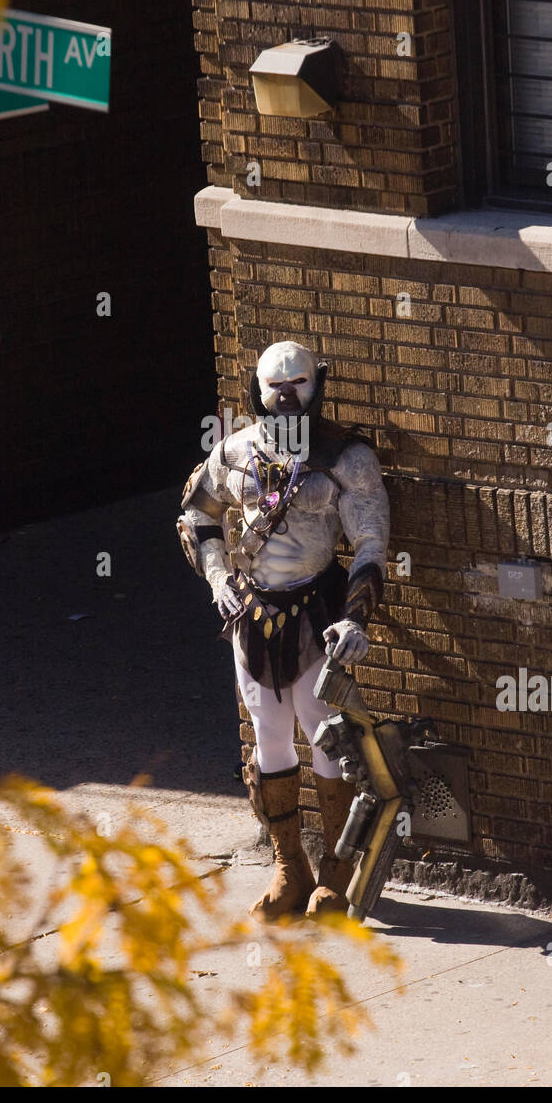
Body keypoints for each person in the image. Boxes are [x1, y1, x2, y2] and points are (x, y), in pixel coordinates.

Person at [177, 340, 390, 920]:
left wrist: (356, 616)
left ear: (316, 386)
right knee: (269, 738)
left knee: (326, 740)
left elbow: (371, 543)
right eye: (276, 384)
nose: (287, 394)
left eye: (297, 382)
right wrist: (218, 578)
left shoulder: (347, 459)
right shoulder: (234, 451)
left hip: (318, 613)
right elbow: (198, 514)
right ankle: (288, 868)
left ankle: (337, 874)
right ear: (258, 389)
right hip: (252, 616)